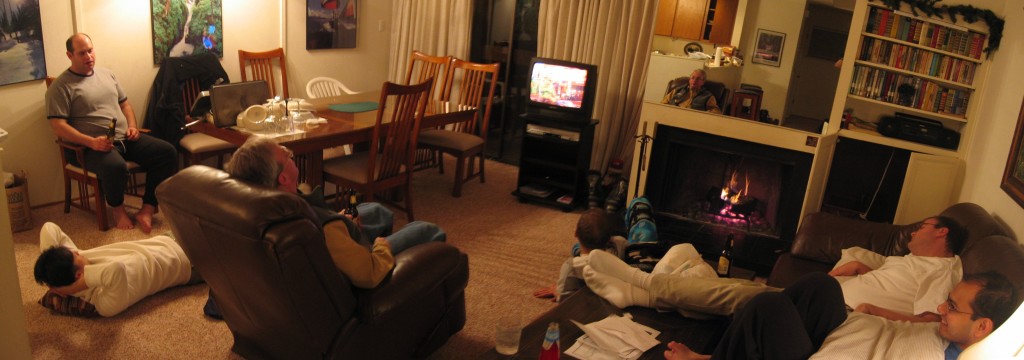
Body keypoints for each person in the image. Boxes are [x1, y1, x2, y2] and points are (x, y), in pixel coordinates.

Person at [583, 216, 965, 320]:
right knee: (738, 290)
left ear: (942, 232)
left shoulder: (943, 271)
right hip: (820, 296)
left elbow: (932, 318)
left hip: (838, 313)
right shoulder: (911, 259)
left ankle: (639, 280)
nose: (914, 229)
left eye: (924, 225)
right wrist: (860, 268)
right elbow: (878, 267)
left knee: (733, 294)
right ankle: (637, 296)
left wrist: (871, 309)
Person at [225, 136, 446, 288]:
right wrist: (381, 245)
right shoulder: (320, 228)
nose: (291, 155)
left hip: (335, 240)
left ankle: (368, 242)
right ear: (283, 177)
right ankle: (397, 266)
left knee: (377, 211)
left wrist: (339, 220)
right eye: (287, 154)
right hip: (365, 264)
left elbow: (328, 228)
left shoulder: (265, 208)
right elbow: (368, 273)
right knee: (427, 230)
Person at [663, 271, 1019, 360]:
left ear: (983, 326)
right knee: (822, 286)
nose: (943, 308)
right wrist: (868, 314)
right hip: (848, 334)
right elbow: (899, 328)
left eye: (953, 307)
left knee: (766, 308)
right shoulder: (951, 332)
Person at [45, 33, 178, 233]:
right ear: (69, 55)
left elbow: (125, 104)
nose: (88, 56)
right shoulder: (61, 86)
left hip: (124, 138)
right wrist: (91, 142)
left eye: (90, 50)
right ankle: (117, 209)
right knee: (116, 167)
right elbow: (57, 126)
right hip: (87, 147)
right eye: (82, 53)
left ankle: (148, 208)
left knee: (167, 152)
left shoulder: (107, 74)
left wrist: (132, 125)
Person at [33, 222, 199, 317]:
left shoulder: (74, 262)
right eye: (75, 255)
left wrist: (56, 281)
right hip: (191, 262)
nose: (77, 251)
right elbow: (115, 270)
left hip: (167, 237)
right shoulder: (102, 302)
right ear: (79, 275)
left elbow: (49, 228)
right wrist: (75, 287)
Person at [532, 209, 627, 302]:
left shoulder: (571, 266)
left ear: (575, 233)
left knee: (576, 248)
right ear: (609, 237)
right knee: (576, 248)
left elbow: (565, 298)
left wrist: (556, 291)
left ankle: (579, 251)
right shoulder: (619, 245)